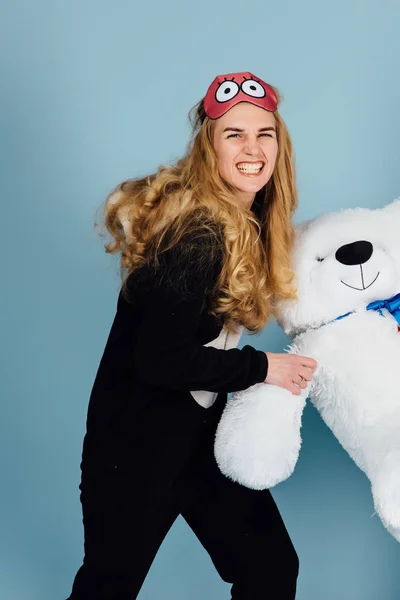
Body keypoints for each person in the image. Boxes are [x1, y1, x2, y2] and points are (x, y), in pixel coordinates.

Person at [66, 71, 317, 600]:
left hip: (197, 437)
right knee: (108, 587)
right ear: (210, 149)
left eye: (264, 134)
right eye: (234, 135)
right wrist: (263, 368)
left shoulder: (244, 224)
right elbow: (159, 360)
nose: (253, 148)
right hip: (134, 447)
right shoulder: (196, 235)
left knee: (270, 566)